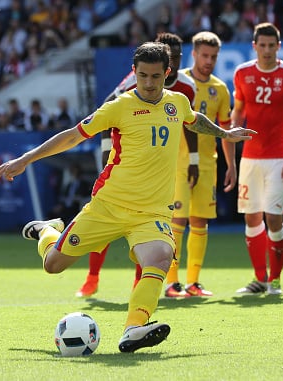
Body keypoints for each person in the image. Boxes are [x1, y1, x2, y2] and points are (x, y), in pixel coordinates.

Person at [0, 42, 255, 353]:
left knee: (159, 257)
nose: (148, 82)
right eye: (142, 75)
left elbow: (193, 118)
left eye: (155, 76)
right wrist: (26, 158)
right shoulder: (119, 106)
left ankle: (133, 328)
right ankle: (46, 231)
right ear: (134, 72)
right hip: (108, 206)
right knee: (53, 265)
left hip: (152, 213)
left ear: (166, 74)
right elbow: (73, 135)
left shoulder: (177, 102)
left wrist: (225, 134)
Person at [75, 32, 198, 299]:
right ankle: (92, 277)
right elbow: (108, 109)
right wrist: (108, 154)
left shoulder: (186, 88)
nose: (175, 62)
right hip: (125, 160)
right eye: (171, 56)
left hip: (163, 165)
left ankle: (139, 285)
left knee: (148, 230)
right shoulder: (136, 81)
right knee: (104, 223)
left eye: (177, 57)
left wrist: (195, 160)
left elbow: (192, 122)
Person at [230, 22, 283, 295]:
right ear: (254, 46)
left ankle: (275, 280)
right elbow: (238, 111)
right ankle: (259, 279)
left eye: (271, 46)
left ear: (278, 46)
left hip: (279, 157)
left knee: (273, 218)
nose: (266, 50)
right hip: (250, 157)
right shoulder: (242, 73)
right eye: (261, 45)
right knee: (251, 219)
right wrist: (233, 131)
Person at [164, 31, 235, 297]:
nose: (209, 61)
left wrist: (231, 165)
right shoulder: (177, 82)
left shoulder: (221, 88)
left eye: (213, 56)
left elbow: (225, 130)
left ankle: (193, 283)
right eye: (204, 55)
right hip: (178, 163)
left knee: (200, 222)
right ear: (193, 54)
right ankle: (172, 283)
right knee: (177, 220)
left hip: (208, 164)